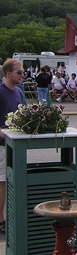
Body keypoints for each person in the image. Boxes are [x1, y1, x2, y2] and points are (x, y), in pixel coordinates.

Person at [0, 59, 26, 233]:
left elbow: (24, 114)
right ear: (8, 73)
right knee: (2, 181)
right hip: (2, 145)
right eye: (19, 72)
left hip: (17, 145)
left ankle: (14, 216)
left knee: (13, 181)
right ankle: (0, 220)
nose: (23, 75)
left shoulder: (19, 92)